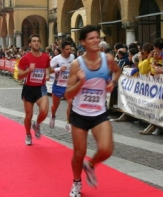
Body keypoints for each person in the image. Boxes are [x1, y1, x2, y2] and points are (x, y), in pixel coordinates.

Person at [65, 25, 121, 197]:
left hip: (99, 113)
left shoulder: (108, 59)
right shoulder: (77, 65)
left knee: (106, 149)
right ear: (82, 42)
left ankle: (90, 165)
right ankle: (76, 182)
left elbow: (118, 71)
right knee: (79, 153)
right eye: (91, 38)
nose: (96, 40)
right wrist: (81, 82)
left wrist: (112, 82)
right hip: (80, 114)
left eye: (97, 37)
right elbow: (68, 94)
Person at [17, 34, 50, 146]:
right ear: (30, 44)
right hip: (28, 88)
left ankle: (37, 124)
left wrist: (48, 74)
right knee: (29, 115)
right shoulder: (25, 58)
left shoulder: (46, 57)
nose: (36, 43)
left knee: (45, 111)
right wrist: (28, 71)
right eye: (34, 41)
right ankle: (28, 134)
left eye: (38, 41)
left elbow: (48, 68)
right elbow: (19, 76)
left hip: (41, 88)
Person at [49, 40, 75, 132]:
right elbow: (48, 70)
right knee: (55, 106)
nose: (69, 51)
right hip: (58, 85)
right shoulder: (56, 59)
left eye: (70, 49)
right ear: (62, 50)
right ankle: (53, 116)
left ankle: (68, 123)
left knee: (71, 103)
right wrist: (59, 69)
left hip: (69, 86)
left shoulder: (72, 57)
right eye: (67, 49)